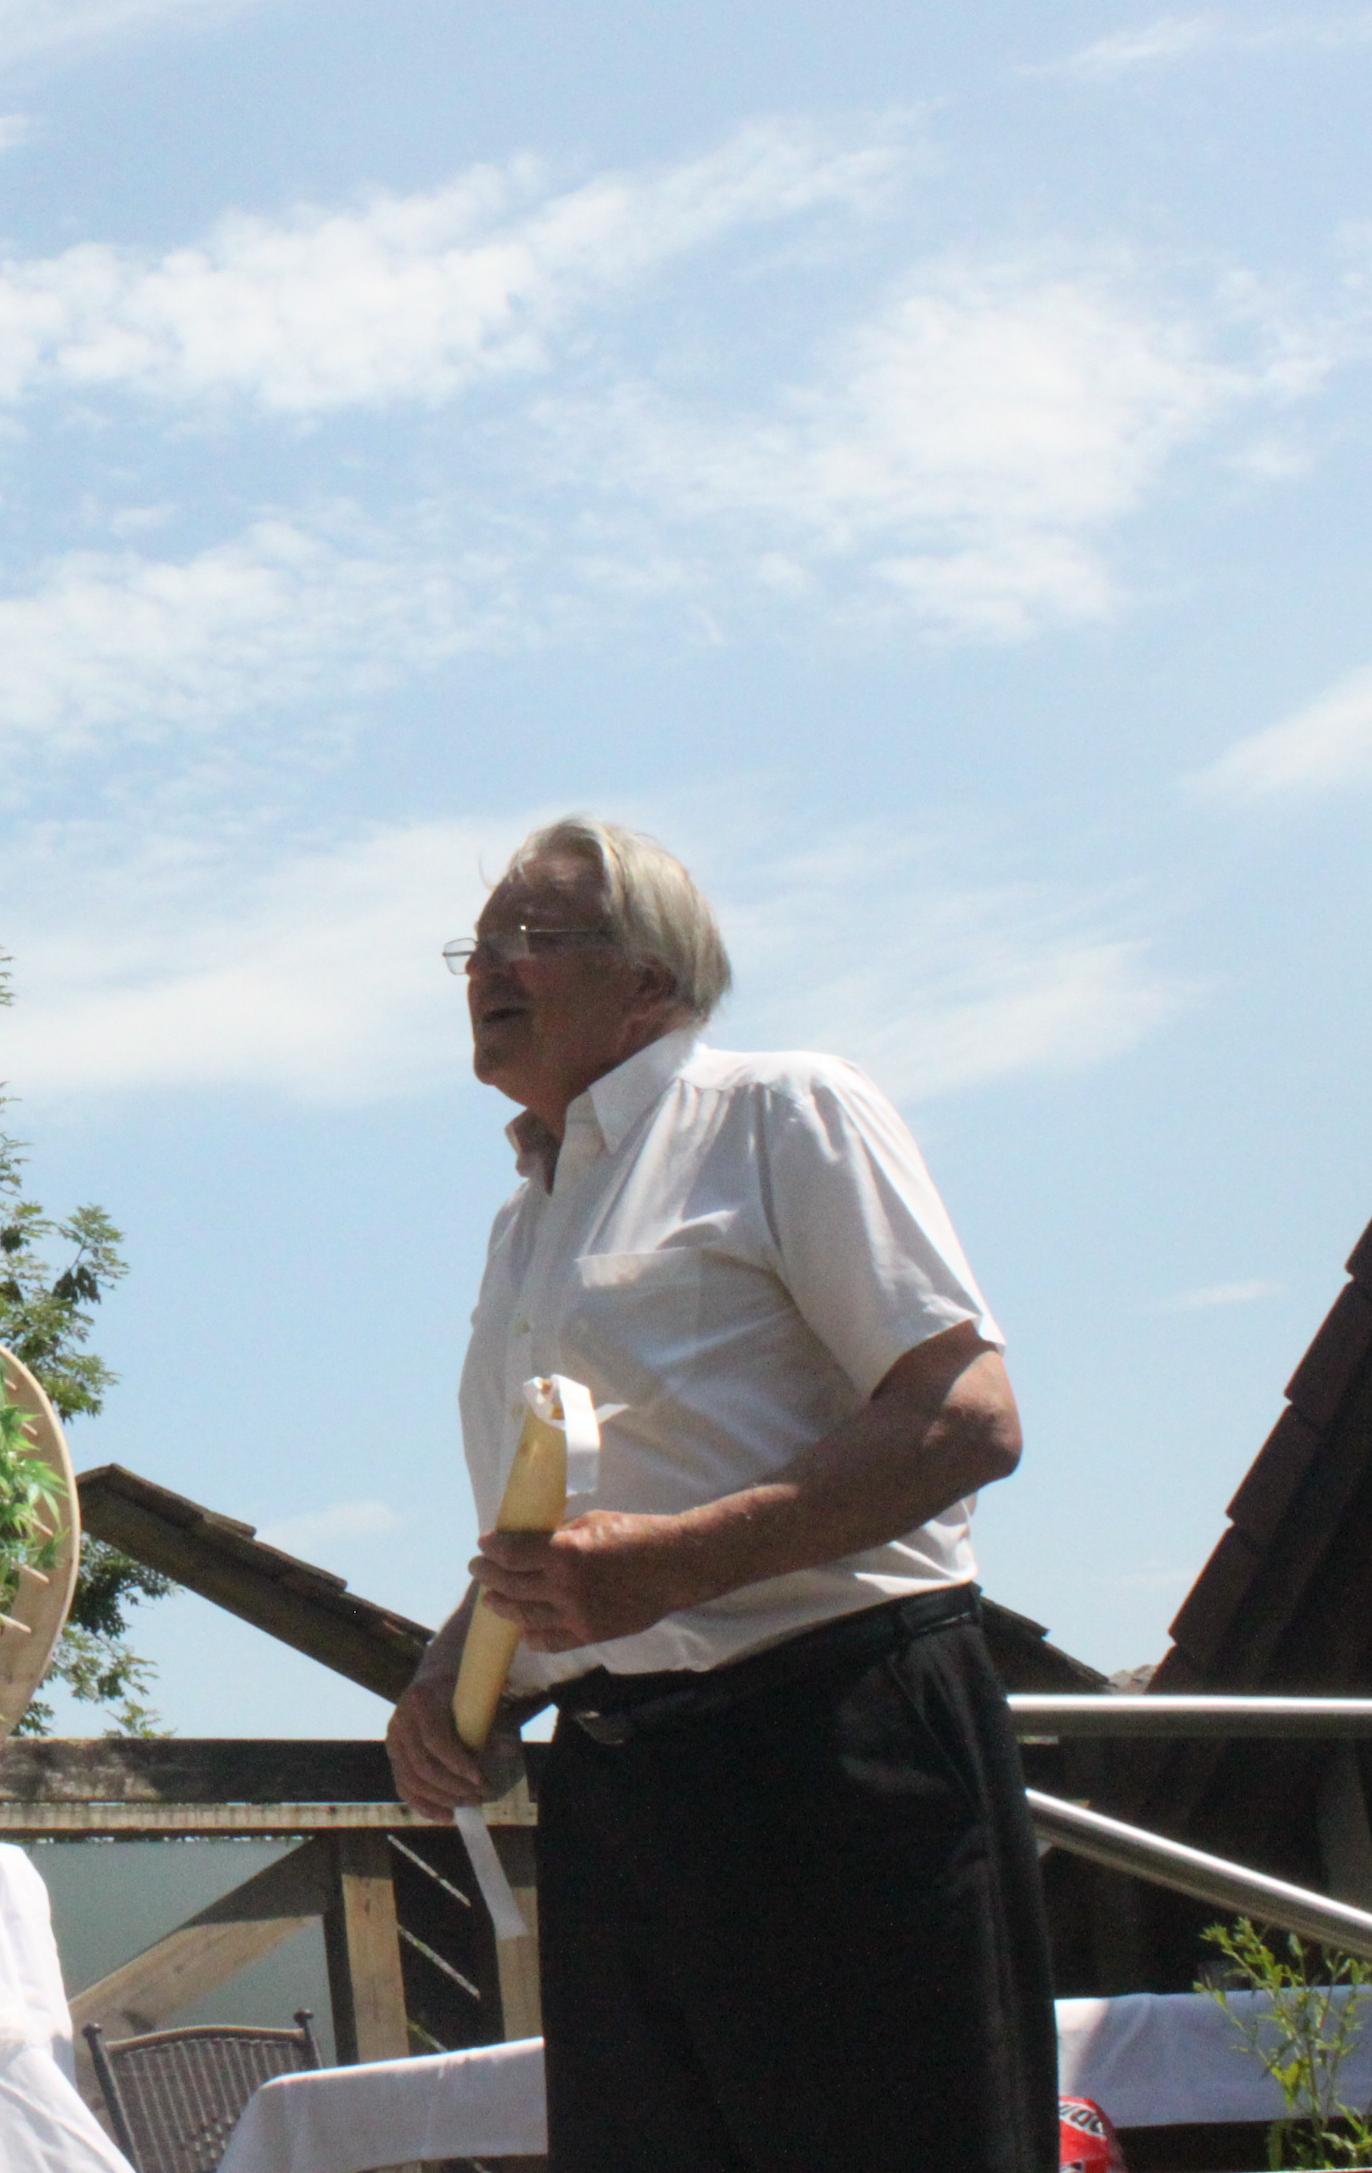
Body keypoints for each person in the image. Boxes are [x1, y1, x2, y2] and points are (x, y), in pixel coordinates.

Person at [384, 817, 1055, 2173]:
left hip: (835, 1750)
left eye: (535, 937)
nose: (488, 967)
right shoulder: (529, 1215)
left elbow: (966, 1415)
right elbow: (561, 1515)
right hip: (625, 1785)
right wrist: (458, 1672)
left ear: (652, 977)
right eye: (477, 945)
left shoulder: (781, 1110)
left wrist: (678, 1563)